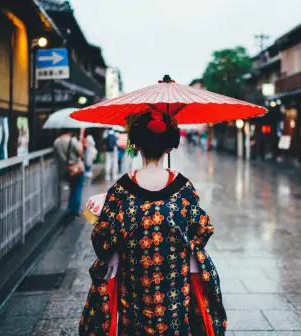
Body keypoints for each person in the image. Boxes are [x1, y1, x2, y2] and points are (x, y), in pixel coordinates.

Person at [79, 111, 227, 335]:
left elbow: (101, 240)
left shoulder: (121, 190)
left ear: (136, 145)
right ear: (169, 148)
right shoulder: (183, 188)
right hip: (175, 288)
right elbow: (202, 230)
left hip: (134, 288)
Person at [53, 129, 85, 216]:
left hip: (65, 169)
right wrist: (81, 144)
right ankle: (75, 210)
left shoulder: (56, 142)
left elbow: (56, 155)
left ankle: (70, 208)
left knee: (72, 189)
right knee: (77, 189)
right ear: (70, 131)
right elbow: (81, 154)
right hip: (76, 169)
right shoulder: (72, 140)